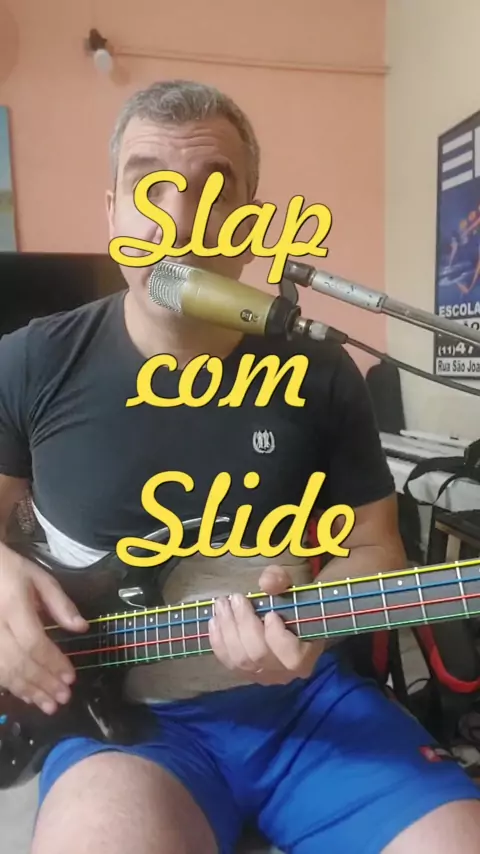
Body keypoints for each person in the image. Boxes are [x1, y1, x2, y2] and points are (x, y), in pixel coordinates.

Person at [0, 79, 479, 854]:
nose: (180, 222)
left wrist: (314, 618)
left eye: (215, 193)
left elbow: (376, 546)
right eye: (149, 187)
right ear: (113, 214)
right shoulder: (30, 361)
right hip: (125, 729)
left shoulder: (322, 372)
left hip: (308, 708)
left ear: (251, 223)